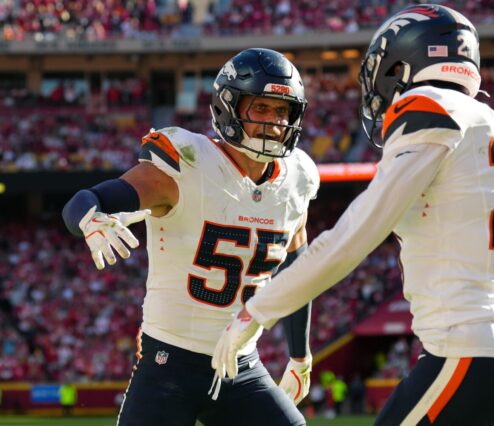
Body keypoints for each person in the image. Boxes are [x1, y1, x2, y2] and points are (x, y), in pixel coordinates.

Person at [212, 4, 494, 425]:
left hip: (469, 356)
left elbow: (359, 230)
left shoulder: (429, 106)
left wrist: (258, 309)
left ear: (405, 62)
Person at [62, 48, 319, 426]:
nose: (274, 122)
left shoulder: (297, 178)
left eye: (282, 111)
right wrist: (89, 219)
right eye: (261, 108)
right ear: (230, 107)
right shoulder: (187, 163)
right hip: (169, 366)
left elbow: (299, 271)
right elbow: (86, 200)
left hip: (240, 366)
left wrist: (300, 355)